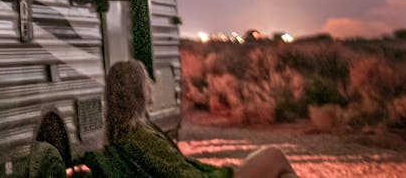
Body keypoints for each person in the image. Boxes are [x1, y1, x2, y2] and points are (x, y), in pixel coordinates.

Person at [105, 60, 298, 178]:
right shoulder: (142, 137)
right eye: (147, 81)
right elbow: (184, 175)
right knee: (274, 155)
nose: (152, 85)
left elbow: (181, 167)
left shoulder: (128, 134)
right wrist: (228, 173)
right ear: (138, 91)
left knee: (284, 175)